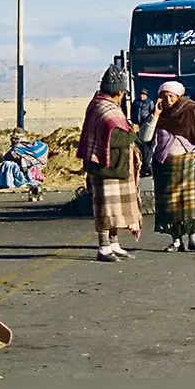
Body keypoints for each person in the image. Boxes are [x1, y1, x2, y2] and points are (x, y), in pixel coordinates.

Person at [76, 65, 144, 263]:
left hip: (114, 167)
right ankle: (104, 247)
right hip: (106, 168)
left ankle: (114, 244)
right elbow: (112, 139)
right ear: (120, 91)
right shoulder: (105, 109)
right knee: (106, 208)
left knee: (116, 209)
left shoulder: (101, 106)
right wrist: (133, 133)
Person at [141, 81, 195, 253]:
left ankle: (194, 239)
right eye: (164, 96)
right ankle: (176, 241)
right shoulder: (159, 116)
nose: (168, 100)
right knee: (172, 205)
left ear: (179, 96)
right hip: (166, 166)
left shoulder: (192, 111)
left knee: (191, 205)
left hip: (190, 163)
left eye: (171, 96)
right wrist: (155, 115)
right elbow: (145, 137)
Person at [0, 129, 49, 201]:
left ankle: (10, 183)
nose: (12, 140)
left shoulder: (18, 147)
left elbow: (8, 157)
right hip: (33, 170)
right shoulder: (35, 146)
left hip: (27, 170)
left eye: (13, 139)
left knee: (7, 164)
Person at [131, 89, 156, 176]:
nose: (142, 96)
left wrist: (149, 123)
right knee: (140, 144)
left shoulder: (150, 102)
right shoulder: (136, 102)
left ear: (146, 95)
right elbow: (132, 112)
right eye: (141, 94)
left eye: (143, 94)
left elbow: (152, 113)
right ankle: (144, 165)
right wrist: (133, 122)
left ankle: (147, 166)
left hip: (146, 125)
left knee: (146, 145)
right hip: (137, 125)